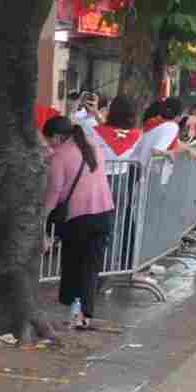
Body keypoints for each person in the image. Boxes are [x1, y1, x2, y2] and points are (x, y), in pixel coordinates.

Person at [43, 114, 117, 328]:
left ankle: (73, 308)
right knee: (91, 266)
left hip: (78, 218)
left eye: (48, 140)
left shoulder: (60, 156)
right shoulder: (93, 146)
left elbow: (55, 191)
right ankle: (85, 314)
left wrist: (44, 214)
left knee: (73, 265)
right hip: (105, 213)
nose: (49, 144)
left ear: (57, 137)